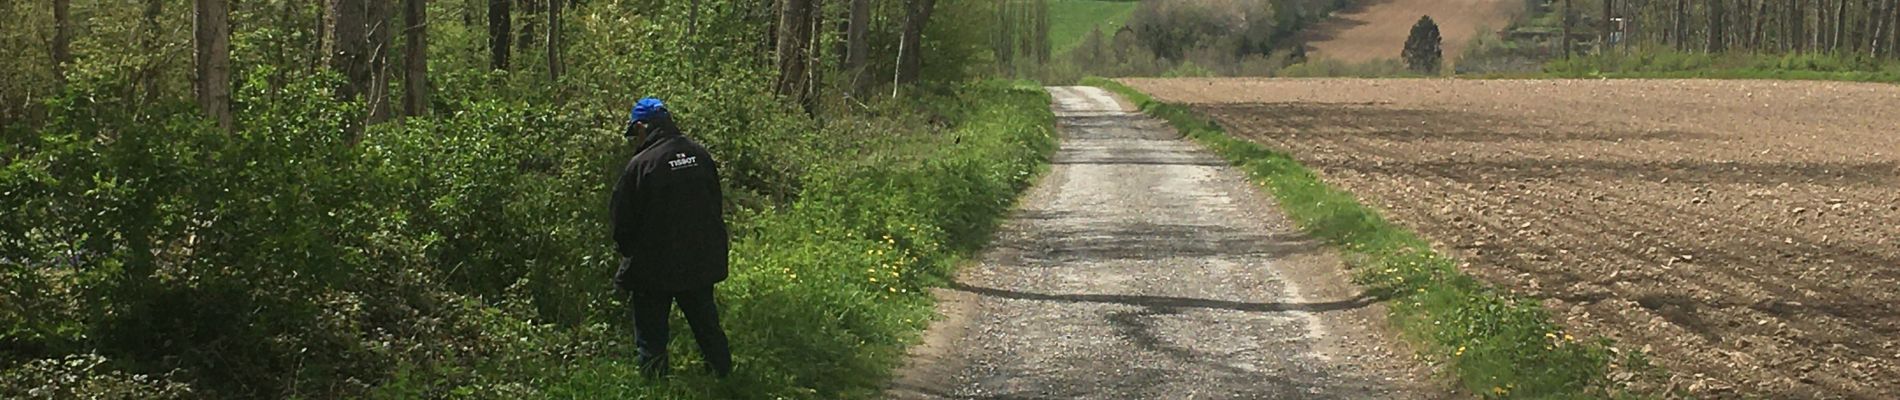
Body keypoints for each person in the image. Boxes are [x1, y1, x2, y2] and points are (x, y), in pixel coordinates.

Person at [610, 97, 733, 378]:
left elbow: (622, 222)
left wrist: (633, 254)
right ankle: (724, 382)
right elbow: (715, 205)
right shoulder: (700, 155)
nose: (634, 139)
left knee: (651, 341)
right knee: (707, 328)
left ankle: (655, 389)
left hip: (653, 269)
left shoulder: (640, 165)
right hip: (700, 262)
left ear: (643, 126)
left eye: (634, 132)